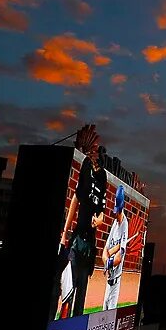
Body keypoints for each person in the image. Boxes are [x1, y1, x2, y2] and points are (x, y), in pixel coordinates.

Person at [57, 134, 107, 318]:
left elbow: (102, 210)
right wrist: (65, 232)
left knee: (82, 292)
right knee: (68, 287)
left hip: (90, 243)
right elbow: (76, 199)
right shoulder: (85, 168)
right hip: (78, 239)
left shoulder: (102, 177)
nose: (95, 157)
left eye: (98, 154)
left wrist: (99, 219)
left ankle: (76, 325)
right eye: (93, 152)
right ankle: (61, 325)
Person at [102, 186, 129, 310]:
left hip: (115, 282)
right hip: (108, 281)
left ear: (122, 208)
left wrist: (109, 262)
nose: (115, 214)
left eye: (117, 211)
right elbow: (105, 250)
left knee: (110, 314)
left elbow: (118, 258)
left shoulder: (125, 225)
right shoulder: (114, 223)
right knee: (102, 312)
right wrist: (107, 259)